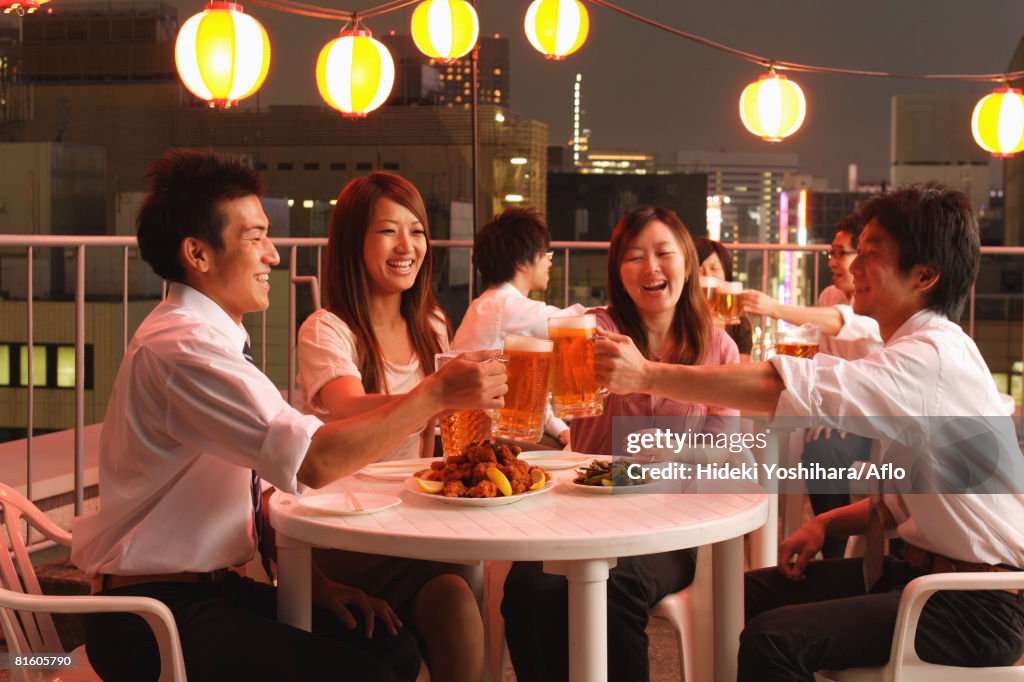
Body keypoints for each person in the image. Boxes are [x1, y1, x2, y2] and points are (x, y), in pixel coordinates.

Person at [72, 150, 507, 682]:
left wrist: (317, 584)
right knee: (364, 674)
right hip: (153, 615)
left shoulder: (211, 338)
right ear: (197, 254)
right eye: (255, 238)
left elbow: (257, 483)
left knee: (388, 644)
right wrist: (435, 396)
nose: (274, 255)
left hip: (214, 589)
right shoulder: (186, 349)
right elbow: (314, 461)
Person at [593, 185, 1024, 679]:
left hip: (977, 603)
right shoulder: (925, 350)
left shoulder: (930, 358)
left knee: (772, 641)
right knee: (738, 597)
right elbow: (913, 499)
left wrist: (647, 375)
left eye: (871, 254)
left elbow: (786, 387)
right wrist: (827, 523)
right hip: (918, 572)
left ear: (924, 276)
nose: (853, 267)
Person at [501, 205, 740, 682]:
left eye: (663, 253)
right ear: (618, 271)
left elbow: (725, 450)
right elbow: (542, 365)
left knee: (615, 586)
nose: (651, 267)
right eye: (634, 257)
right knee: (528, 587)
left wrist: (675, 453)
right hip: (584, 511)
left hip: (671, 526)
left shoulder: (718, 348)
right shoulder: (594, 333)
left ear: (687, 262)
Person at [296, 171, 487, 682]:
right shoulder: (327, 329)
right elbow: (347, 407)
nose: (407, 246)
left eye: (417, 230)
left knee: (460, 590)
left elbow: (439, 436)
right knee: (464, 568)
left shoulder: (432, 326)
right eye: (387, 231)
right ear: (352, 242)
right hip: (344, 526)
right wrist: (436, 394)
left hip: (409, 518)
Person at [739, 212, 884, 558]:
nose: (834, 261)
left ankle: (833, 553)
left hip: (874, 418)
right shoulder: (829, 295)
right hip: (837, 413)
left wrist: (775, 308)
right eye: (831, 252)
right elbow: (823, 358)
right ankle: (775, 536)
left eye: (841, 253)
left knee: (823, 450)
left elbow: (841, 323)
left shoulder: (876, 304)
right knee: (798, 444)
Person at [451, 206, 586, 446]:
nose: (549, 262)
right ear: (521, 261)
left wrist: (559, 430)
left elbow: (525, 391)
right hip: (482, 436)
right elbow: (575, 321)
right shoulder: (504, 307)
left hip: (483, 429)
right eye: (545, 254)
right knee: (583, 453)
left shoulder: (490, 304)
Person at [695, 237, 754, 360]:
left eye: (714, 268)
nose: (707, 275)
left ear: (726, 272)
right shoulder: (675, 316)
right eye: (698, 269)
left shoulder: (739, 323)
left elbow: (740, 370)